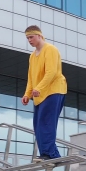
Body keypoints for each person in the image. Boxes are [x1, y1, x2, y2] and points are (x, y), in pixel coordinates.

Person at [22, 25, 68, 161]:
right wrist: (27, 94)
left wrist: (39, 88)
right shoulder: (32, 56)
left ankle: (48, 154)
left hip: (54, 90)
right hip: (39, 94)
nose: (29, 40)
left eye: (31, 37)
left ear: (39, 35)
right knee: (38, 125)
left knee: (46, 122)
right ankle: (52, 155)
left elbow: (52, 72)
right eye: (27, 38)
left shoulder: (50, 50)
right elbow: (31, 77)